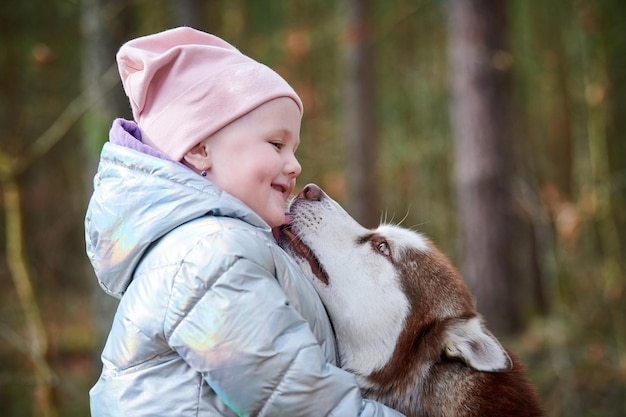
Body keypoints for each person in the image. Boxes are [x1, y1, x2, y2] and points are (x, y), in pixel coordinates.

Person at [85, 27, 404, 416]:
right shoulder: (209, 256)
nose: (295, 164)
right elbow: (296, 400)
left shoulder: (222, 246)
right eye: (276, 144)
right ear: (201, 149)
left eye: (294, 148)